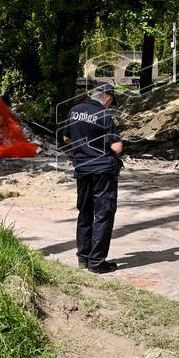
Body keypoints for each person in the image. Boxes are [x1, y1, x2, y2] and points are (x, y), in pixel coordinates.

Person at [63, 83, 124, 273]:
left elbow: (66, 138)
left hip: (82, 169)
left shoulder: (74, 110)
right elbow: (117, 148)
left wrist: (85, 144)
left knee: (85, 212)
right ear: (107, 99)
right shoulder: (104, 116)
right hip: (102, 171)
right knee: (103, 214)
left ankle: (83, 258)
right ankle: (97, 262)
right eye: (110, 102)